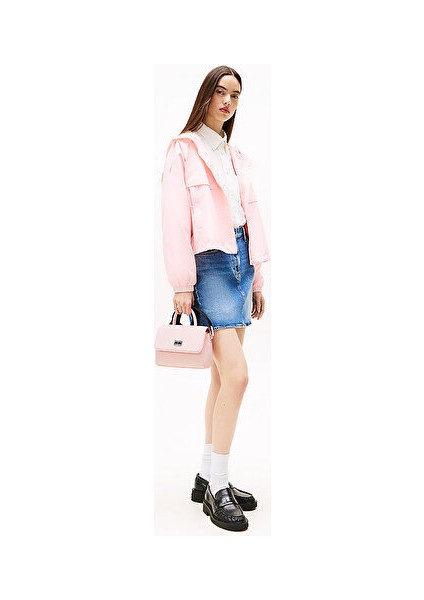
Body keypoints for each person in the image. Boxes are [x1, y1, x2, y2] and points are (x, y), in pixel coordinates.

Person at [160, 65, 270, 532]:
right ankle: (218, 487)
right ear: (205, 95)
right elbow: (174, 219)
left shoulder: (235, 154)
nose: (228, 102)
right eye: (221, 92)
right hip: (209, 267)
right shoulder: (183, 149)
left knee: (223, 377)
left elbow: (251, 214)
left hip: (242, 262)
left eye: (236, 95)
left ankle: (207, 475)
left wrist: (258, 278)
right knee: (238, 377)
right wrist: (181, 283)